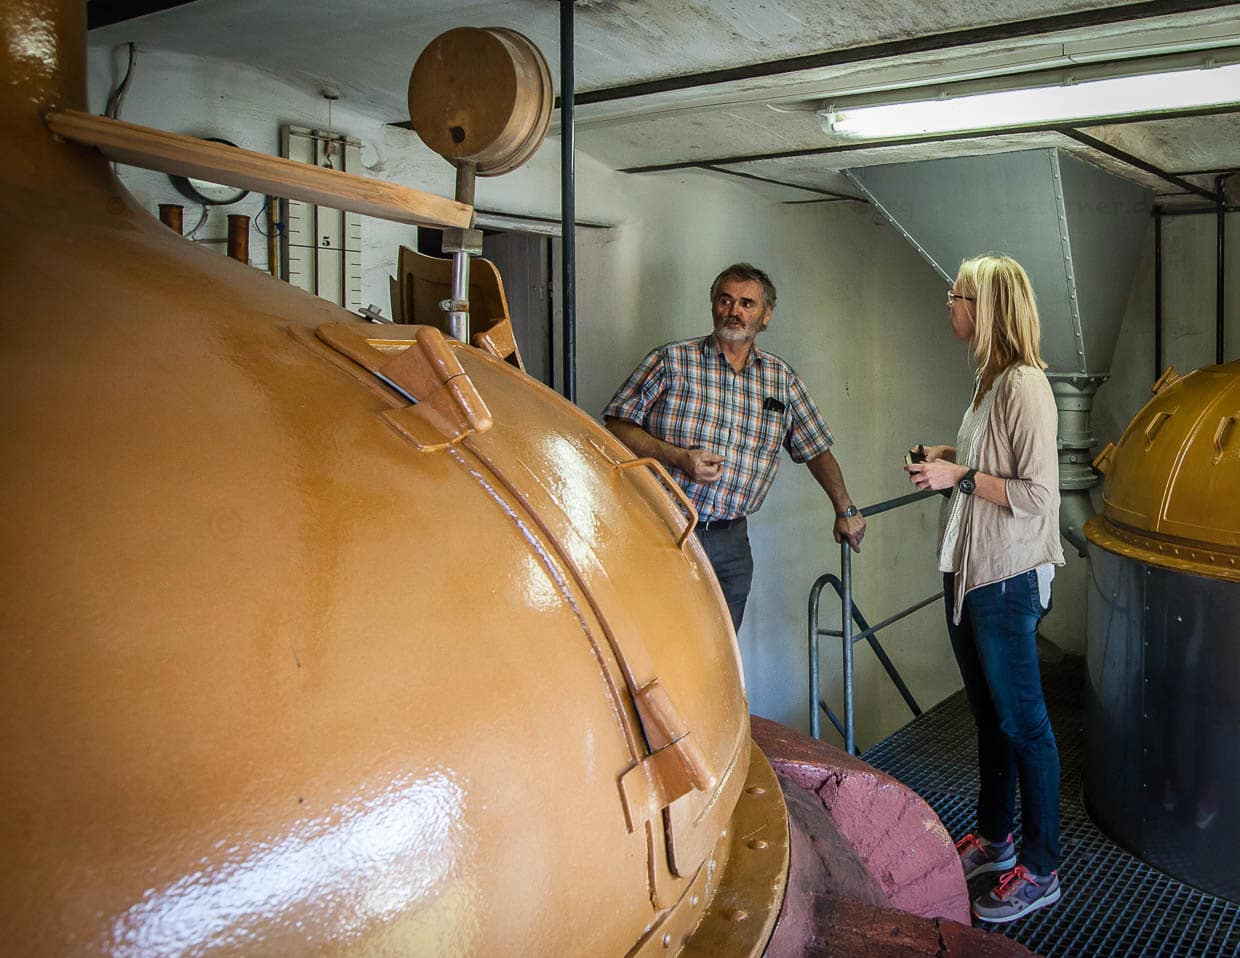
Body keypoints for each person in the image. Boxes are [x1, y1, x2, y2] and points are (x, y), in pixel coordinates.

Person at [906, 254, 1065, 924]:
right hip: (970, 575)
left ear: (987, 307)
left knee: (1025, 724)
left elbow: (1038, 496)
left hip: (1005, 579)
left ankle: (1042, 868)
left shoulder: (1025, 385)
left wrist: (960, 478)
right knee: (992, 718)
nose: (949, 303)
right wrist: (950, 459)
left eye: (958, 294)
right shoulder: (989, 382)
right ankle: (996, 838)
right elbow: (988, 466)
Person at [603, 262, 866, 632]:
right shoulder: (671, 361)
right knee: (657, 640)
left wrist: (845, 509)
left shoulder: (781, 381)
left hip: (731, 544)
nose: (734, 311)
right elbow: (616, 424)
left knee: (720, 649)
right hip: (662, 528)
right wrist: (677, 457)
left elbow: (816, 449)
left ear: (766, 315)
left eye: (747, 303)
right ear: (714, 305)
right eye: (725, 300)